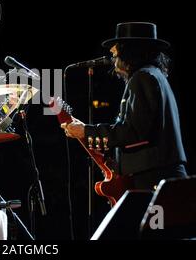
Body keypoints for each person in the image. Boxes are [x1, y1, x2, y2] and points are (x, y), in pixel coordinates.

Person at [61, 22, 188, 190]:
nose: (112, 51)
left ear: (130, 50)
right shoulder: (153, 76)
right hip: (159, 174)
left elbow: (133, 131)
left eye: (116, 47)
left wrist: (87, 131)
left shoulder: (142, 78)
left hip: (153, 177)